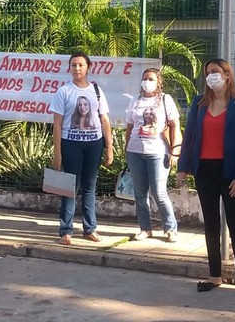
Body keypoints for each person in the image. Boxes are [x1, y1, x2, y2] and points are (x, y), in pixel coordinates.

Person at [178, 59, 235, 301]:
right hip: (205, 169)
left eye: (215, 72)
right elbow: (190, 136)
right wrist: (183, 167)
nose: (210, 76)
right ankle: (215, 275)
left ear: (227, 75)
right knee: (211, 224)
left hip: (231, 172)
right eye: (208, 73)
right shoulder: (199, 103)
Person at [49, 52, 114, 245]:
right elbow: (58, 124)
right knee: (69, 187)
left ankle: (89, 228)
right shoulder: (64, 92)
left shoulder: (96, 90)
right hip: (71, 143)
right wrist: (57, 153)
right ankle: (66, 230)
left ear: (88, 67)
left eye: (81, 65)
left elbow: (104, 119)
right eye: (73, 65)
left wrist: (109, 146)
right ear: (69, 68)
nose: (77, 68)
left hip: (94, 144)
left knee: (89, 186)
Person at [124, 67, 181, 242]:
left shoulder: (165, 99)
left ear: (158, 82)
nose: (147, 82)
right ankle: (145, 228)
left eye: (151, 79)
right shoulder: (136, 100)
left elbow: (175, 126)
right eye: (144, 78)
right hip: (135, 152)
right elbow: (129, 126)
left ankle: (170, 228)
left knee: (159, 192)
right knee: (140, 193)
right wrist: (127, 149)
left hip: (158, 152)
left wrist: (175, 151)